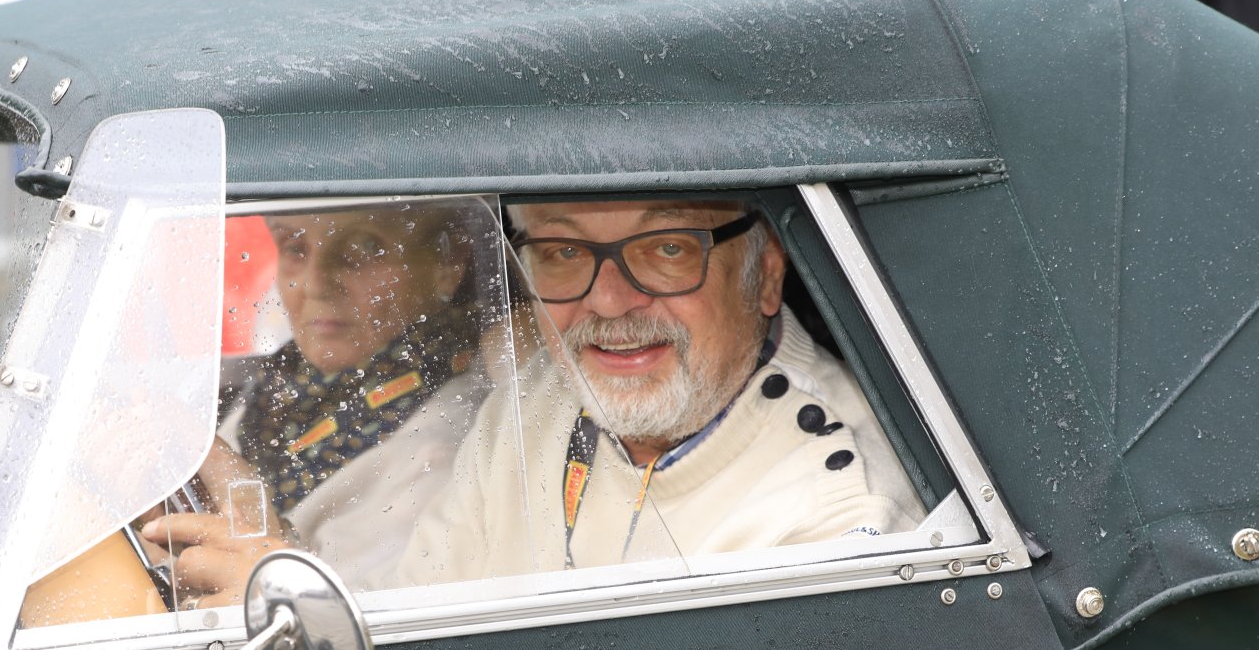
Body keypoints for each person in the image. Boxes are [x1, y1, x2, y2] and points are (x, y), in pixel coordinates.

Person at [392, 199, 926, 585]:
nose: (609, 301)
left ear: (765, 271)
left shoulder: (841, 521)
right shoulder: (532, 400)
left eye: (668, 248)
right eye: (564, 251)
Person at [141, 200, 497, 604]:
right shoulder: (281, 387)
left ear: (448, 261)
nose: (315, 283)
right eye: (295, 247)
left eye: (364, 250)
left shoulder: (453, 442)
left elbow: (356, 617)